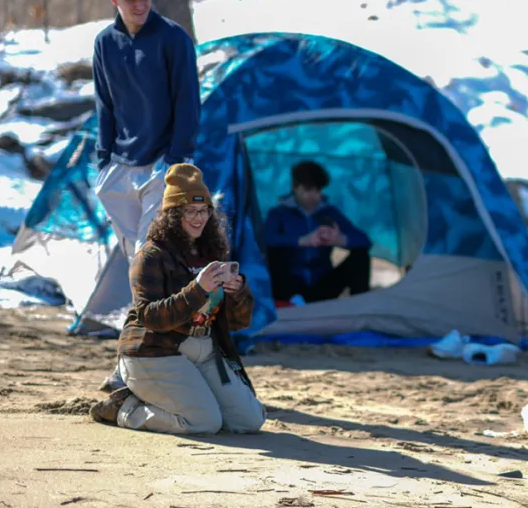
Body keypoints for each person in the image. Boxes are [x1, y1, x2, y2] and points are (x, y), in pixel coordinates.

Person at [89, 164, 265, 435]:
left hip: (204, 349)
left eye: (204, 210)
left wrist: (237, 293)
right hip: (154, 351)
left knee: (249, 421)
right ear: (173, 214)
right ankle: (124, 407)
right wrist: (198, 288)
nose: (199, 218)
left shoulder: (212, 251)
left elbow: (238, 323)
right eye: (190, 211)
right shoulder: (151, 256)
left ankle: (181, 398)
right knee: (204, 422)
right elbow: (150, 318)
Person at [92, 0, 200, 393]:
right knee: (141, 269)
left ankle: (134, 367)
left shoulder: (173, 39)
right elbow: (105, 105)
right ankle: (150, 359)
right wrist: (104, 162)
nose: (141, 4)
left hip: (162, 167)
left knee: (149, 267)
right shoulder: (104, 43)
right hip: (119, 169)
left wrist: (175, 164)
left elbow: (189, 105)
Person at [262, 160, 372, 304]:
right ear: (295, 187)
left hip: (321, 286)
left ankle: (360, 307)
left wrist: (340, 239)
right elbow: (264, 240)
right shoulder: (279, 213)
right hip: (287, 287)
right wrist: (301, 241)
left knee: (360, 256)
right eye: (308, 189)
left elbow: (365, 240)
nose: (313, 195)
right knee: (273, 252)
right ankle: (290, 302)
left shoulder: (330, 213)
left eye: (318, 190)